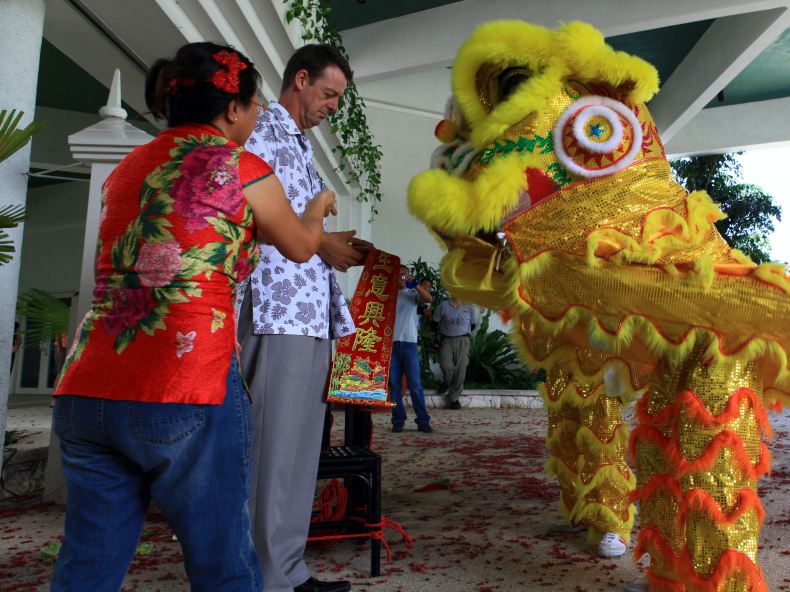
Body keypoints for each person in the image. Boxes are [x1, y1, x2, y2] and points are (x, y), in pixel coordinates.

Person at [49, 42, 335, 592]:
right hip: (184, 386)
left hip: (87, 387)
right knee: (223, 563)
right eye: (253, 109)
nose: (255, 119)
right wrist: (319, 205)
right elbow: (301, 247)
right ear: (232, 109)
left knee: (88, 563)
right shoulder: (241, 164)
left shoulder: (127, 167)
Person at [239, 44, 369, 592]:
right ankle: (259, 576)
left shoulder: (296, 142)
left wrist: (327, 244)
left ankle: (288, 570)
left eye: (339, 98)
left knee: (298, 448)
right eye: (329, 94)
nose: (333, 106)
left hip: (307, 311)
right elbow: (264, 224)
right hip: (276, 307)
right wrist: (320, 241)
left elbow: (296, 227)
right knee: (271, 449)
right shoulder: (261, 132)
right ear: (299, 79)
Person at [390, 265, 433, 433]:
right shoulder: (388, 295)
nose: (400, 279)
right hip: (392, 344)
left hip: (409, 343)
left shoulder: (413, 294)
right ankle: (398, 420)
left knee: (415, 385)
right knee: (394, 385)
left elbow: (428, 299)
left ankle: (423, 421)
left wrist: (414, 284)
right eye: (398, 276)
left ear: (408, 276)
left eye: (403, 276)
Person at [433, 296, 479, 409]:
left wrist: (461, 332)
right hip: (446, 340)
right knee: (446, 366)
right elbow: (435, 323)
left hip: (463, 340)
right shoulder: (443, 305)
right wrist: (436, 339)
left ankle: (454, 399)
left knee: (461, 369)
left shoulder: (469, 306)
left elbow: (473, 325)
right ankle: (447, 382)